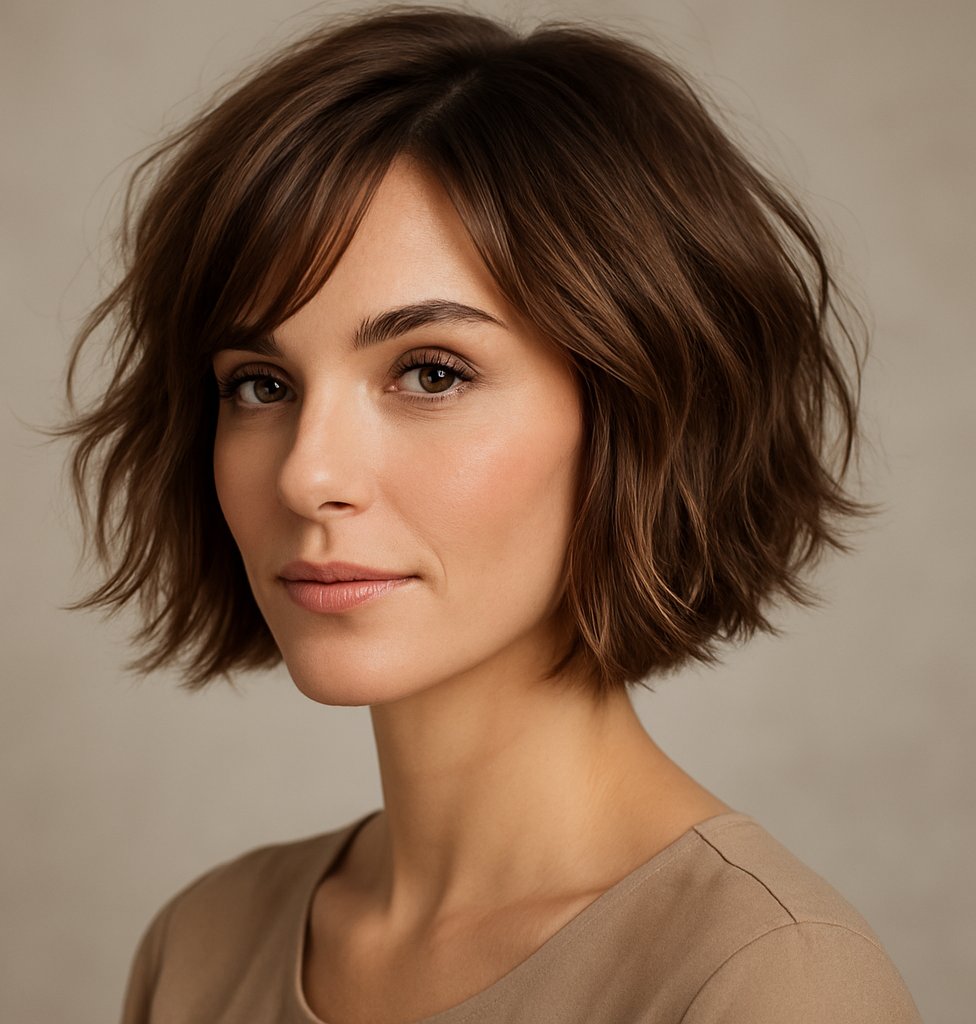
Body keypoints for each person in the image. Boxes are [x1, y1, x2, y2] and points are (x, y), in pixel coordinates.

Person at [59, 4, 923, 1022]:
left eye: (430, 372)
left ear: (638, 412)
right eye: (259, 384)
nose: (305, 474)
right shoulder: (203, 944)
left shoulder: (765, 980)